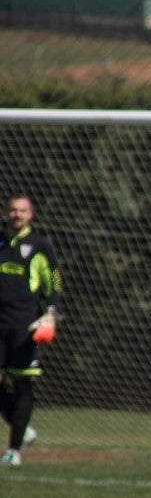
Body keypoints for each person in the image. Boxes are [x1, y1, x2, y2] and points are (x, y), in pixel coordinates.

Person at [0, 193, 61, 466]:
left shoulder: (39, 245)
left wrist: (51, 312)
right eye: (13, 210)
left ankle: (14, 450)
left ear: (31, 214)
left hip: (25, 326)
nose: (17, 215)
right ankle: (22, 428)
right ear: (6, 213)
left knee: (24, 384)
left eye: (22, 211)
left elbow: (54, 280)